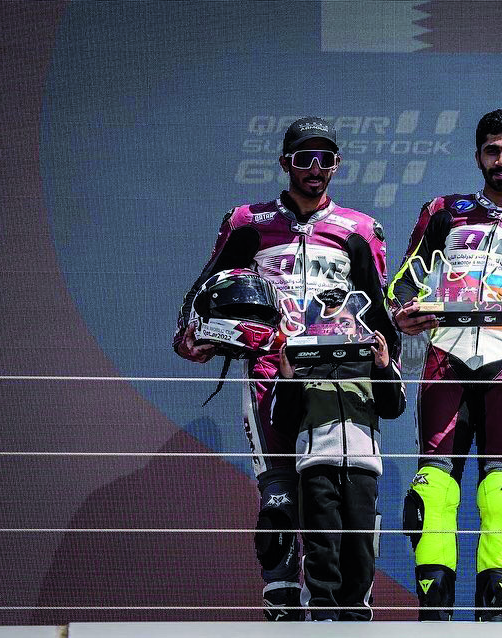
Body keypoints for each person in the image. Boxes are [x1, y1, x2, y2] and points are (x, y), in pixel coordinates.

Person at [173, 117, 401, 620]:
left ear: (337, 165)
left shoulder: (360, 230)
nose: (314, 168)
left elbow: (379, 311)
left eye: (325, 158)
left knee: (344, 499)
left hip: (339, 380)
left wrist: (389, 374)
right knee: (278, 500)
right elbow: (205, 289)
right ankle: (281, 609)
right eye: (303, 158)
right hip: (269, 375)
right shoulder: (247, 222)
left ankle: (349, 610)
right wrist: (193, 336)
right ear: (285, 163)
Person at [387, 109, 502, 621]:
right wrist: (404, 308)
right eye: (492, 151)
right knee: (432, 496)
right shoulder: (444, 211)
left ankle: (493, 625)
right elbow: (406, 277)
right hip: (444, 361)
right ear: (477, 156)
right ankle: (435, 623)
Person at [274, 287, 405, 621]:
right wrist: (287, 375)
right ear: (317, 327)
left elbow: (394, 407)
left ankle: (357, 617)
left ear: (357, 324)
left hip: (362, 468)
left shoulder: (369, 362)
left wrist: (384, 366)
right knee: (322, 547)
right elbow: (281, 419)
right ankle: (320, 616)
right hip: (317, 466)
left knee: (361, 549)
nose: (339, 328)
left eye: (346, 321)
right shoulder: (303, 365)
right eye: (330, 323)